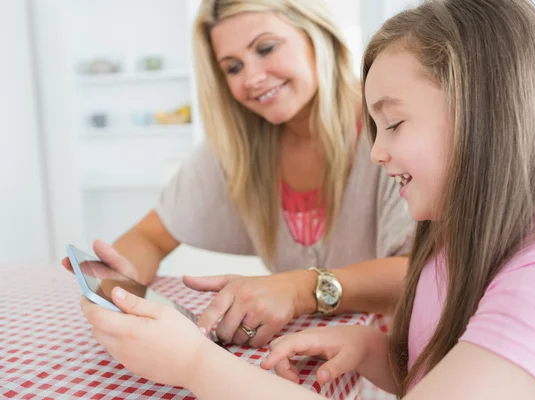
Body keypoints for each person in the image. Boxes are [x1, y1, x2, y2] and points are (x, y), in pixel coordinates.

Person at [80, 0, 535, 398]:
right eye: (231, 66)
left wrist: (194, 363)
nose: (376, 152)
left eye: (393, 124)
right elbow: (439, 367)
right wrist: (374, 349)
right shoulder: (452, 244)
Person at [64, 0, 414, 349]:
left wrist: (299, 288)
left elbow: (426, 271)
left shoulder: (388, 129)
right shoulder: (237, 150)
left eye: (266, 48)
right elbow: (151, 237)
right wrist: (121, 284)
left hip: (398, 358)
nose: (252, 79)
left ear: (317, 35)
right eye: (232, 68)